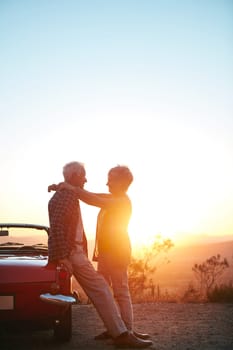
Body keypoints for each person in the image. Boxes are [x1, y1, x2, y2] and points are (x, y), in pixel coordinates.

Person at [47, 161, 152, 348]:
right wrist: (64, 187)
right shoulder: (111, 196)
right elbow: (90, 196)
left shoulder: (121, 201)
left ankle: (125, 330)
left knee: (118, 291)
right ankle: (118, 330)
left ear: (121, 183)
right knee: (103, 290)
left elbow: (93, 199)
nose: (106, 183)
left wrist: (69, 187)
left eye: (110, 180)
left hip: (117, 252)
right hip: (103, 253)